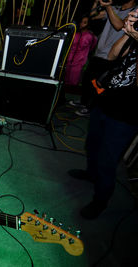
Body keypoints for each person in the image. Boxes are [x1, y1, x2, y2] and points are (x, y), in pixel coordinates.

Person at [68, 9, 138, 219]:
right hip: (106, 103)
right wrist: (128, 33)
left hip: (126, 116)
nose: (131, 18)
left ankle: (100, 201)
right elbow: (112, 55)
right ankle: (90, 173)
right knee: (92, 144)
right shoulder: (132, 38)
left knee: (108, 160)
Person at [69, 0, 137, 117]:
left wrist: (108, 7)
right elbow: (92, 16)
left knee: (99, 84)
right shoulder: (115, 8)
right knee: (88, 79)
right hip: (99, 51)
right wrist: (96, 3)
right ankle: (84, 102)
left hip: (111, 55)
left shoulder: (133, 12)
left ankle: (91, 107)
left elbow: (119, 25)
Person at [64, 15, 97, 87]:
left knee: (73, 84)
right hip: (69, 61)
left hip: (79, 63)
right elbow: (68, 46)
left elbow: (92, 48)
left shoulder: (90, 36)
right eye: (81, 22)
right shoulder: (75, 34)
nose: (82, 24)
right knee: (65, 82)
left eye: (85, 22)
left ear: (88, 24)